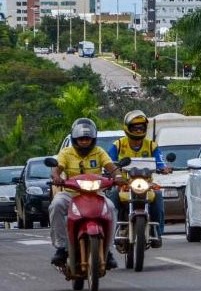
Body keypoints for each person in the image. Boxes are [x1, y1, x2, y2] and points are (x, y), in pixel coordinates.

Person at [49, 118, 119, 268]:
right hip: (71, 194)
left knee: (111, 208)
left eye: (87, 139)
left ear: (93, 139)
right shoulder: (66, 152)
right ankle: (61, 248)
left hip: (96, 195)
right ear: (75, 139)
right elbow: (57, 168)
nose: (84, 142)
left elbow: (111, 167)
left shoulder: (99, 152)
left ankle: (109, 251)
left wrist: (118, 177)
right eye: (81, 139)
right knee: (56, 204)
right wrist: (56, 176)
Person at [108, 110, 171, 238]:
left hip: (146, 184)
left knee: (158, 195)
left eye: (141, 127)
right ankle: (112, 230)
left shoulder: (152, 146)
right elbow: (109, 163)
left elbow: (160, 161)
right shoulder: (118, 145)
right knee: (113, 195)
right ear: (127, 128)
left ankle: (157, 232)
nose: (138, 131)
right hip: (124, 184)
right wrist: (113, 173)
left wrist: (164, 168)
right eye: (134, 128)